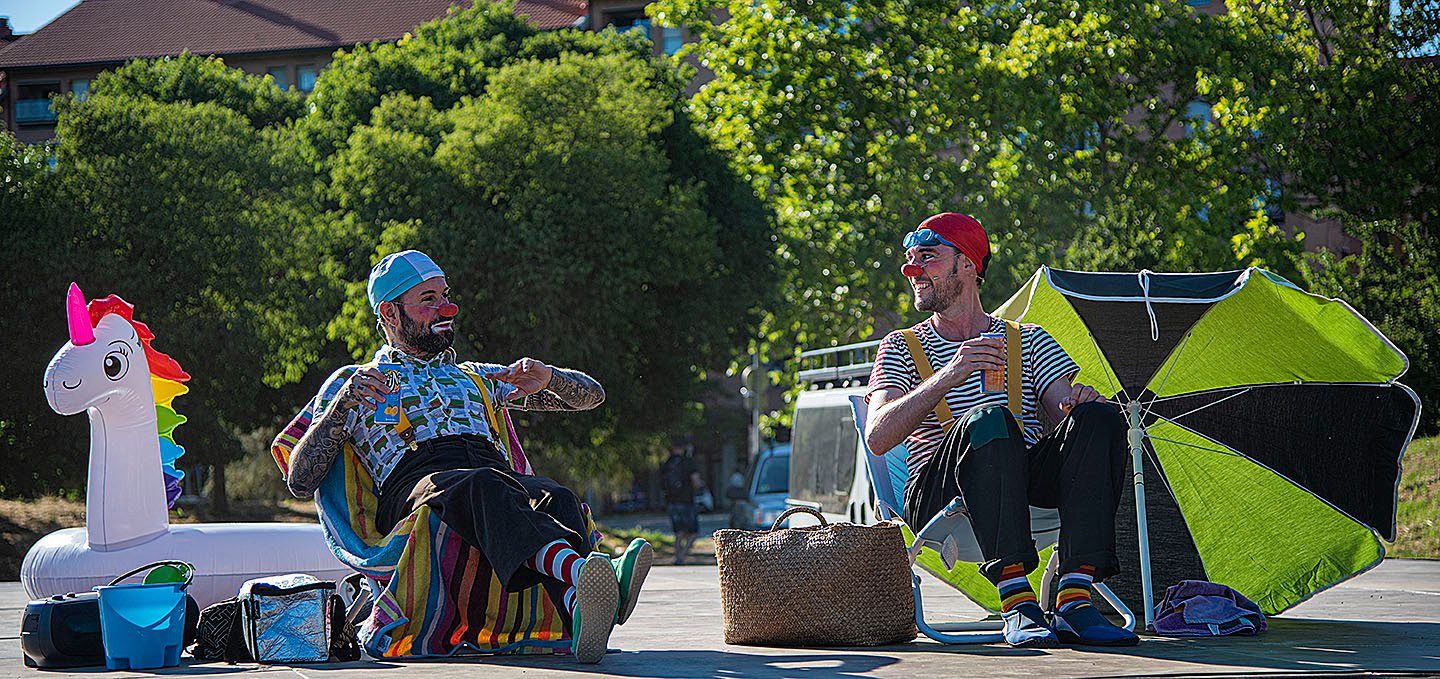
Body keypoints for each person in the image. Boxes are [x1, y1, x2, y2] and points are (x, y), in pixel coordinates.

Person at [284, 250, 652, 663]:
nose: (447, 309)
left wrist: (550, 378)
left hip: (489, 473)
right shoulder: (353, 382)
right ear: (389, 313)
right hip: (417, 481)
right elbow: (298, 481)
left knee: (554, 495)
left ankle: (577, 607)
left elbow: (592, 398)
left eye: (445, 295)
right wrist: (339, 410)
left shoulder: (476, 374)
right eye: (429, 300)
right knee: (483, 485)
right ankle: (587, 573)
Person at [864, 213, 1138, 648]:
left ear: (968, 264)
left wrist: (1079, 405)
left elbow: (1063, 407)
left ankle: (1074, 598)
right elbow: (877, 435)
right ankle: (1017, 599)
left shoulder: (1029, 339)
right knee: (988, 419)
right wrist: (950, 373)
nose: (912, 271)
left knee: (1101, 420)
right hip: (939, 493)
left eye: (928, 258)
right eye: (910, 260)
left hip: (1022, 486)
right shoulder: (900, 345)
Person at [661, 441, 702, 565]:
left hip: (672, 501)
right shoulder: (688, 462)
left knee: (678, 532)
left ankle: (677, 556)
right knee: (693, 532)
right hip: (687, 501)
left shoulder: (667, 463)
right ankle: (682, 555)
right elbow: (696, 482)